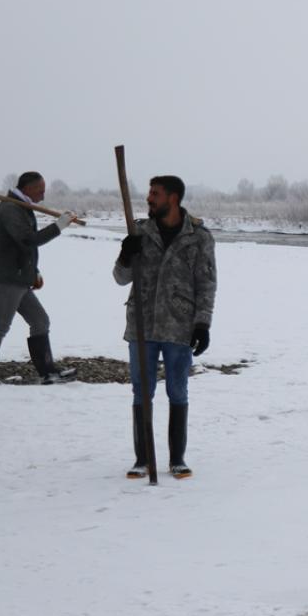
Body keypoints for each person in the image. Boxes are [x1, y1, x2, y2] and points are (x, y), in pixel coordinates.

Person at [113, 175, 217, 480]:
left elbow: (207, 284)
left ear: (173, 198)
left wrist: (202, 324)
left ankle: (177, 459)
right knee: (141, 391)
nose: (149, 198)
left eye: (155, 194)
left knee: (177, 390)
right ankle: (142, 459)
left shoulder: (199, 236)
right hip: (141, 325)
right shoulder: (140, 231)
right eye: (149, 193)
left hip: (179, 325)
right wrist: (126, 254)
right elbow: (120, 278)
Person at [0, 171, 78, 385]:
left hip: (19, 277)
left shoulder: (21, 207)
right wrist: (58, 226)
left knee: (40, 320)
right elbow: (28, 240)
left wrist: (32, 272)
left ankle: (47, 372)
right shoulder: (10, 208)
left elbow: (23, 247)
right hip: (8, 279)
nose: (43, 196)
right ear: (28, 188)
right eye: (41, 190)